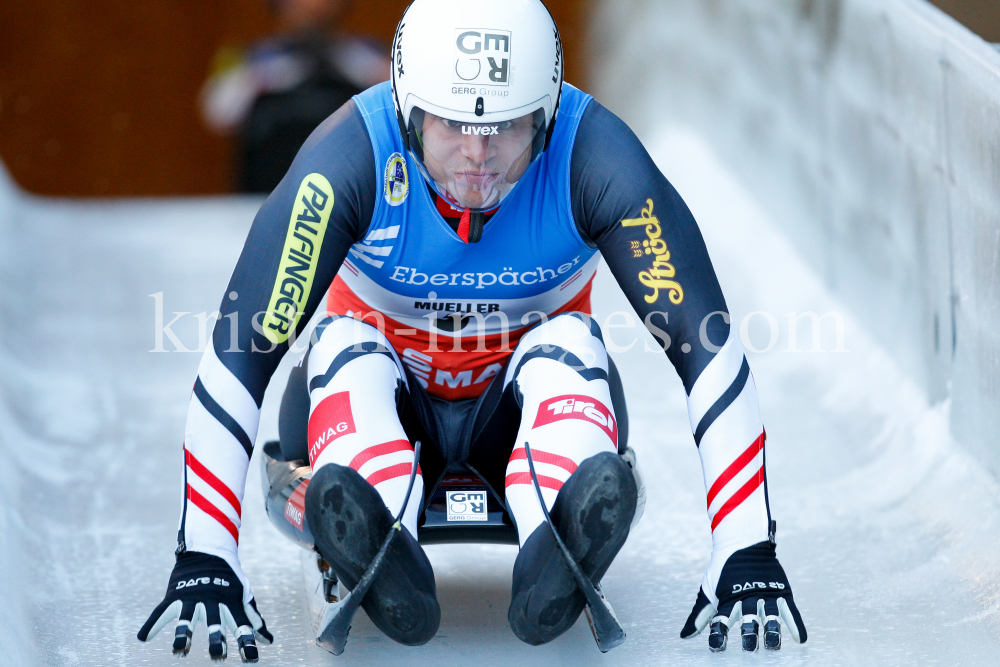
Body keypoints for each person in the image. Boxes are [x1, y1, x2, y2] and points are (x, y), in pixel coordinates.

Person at [139, 0, 808, 661]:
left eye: (509, 128)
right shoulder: (348, 157)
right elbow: (241, 351)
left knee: (569, 344)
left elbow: (705, 346)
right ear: (408, 113)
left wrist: (747, 546)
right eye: (453, 125)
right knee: (347, 346)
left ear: (547, 117)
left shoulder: (594, 153)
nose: (479, 156)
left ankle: (554, 528)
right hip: (372, 399)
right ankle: (374, 515)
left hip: (521, 412)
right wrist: (206, 552)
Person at [201, 0, 388, 193]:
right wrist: (271, 74)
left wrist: (352, 66)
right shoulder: (251, 57)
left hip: (346, 192)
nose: (312, 6)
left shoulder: (367, 55)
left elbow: (398, 101)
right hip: (264, 191)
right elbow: (218, 114)